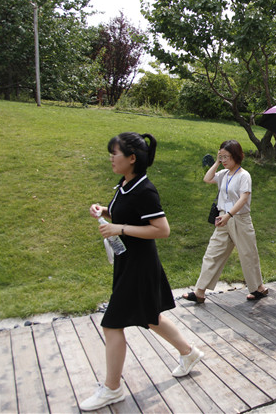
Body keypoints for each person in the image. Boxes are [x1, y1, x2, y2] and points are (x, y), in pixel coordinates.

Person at [82, 132, 203, 411]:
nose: (111, 158)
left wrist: (119, 229)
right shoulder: (126, 184)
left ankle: (112, 389)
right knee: (149, 315)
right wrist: (105, 210)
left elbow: (162, 230)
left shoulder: (145, 189)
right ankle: (189, 352)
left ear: (132, 158)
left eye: (116, 153)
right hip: (128, 261)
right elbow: (126, 214)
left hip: (139, 264)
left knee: (112, 325)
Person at [182, 140, 268, 303]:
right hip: (223, 219)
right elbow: (207, 179)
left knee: (248, 255)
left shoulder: (244, 175)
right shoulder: (223, 174)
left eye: (226, 157)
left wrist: (228, 215)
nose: (224, 160)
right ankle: (200, 292)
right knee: (212, 253)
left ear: (236, 156)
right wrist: (216, 162)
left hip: (239, 219)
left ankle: (259, 288)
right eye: (221, 156)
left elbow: (243, 199)